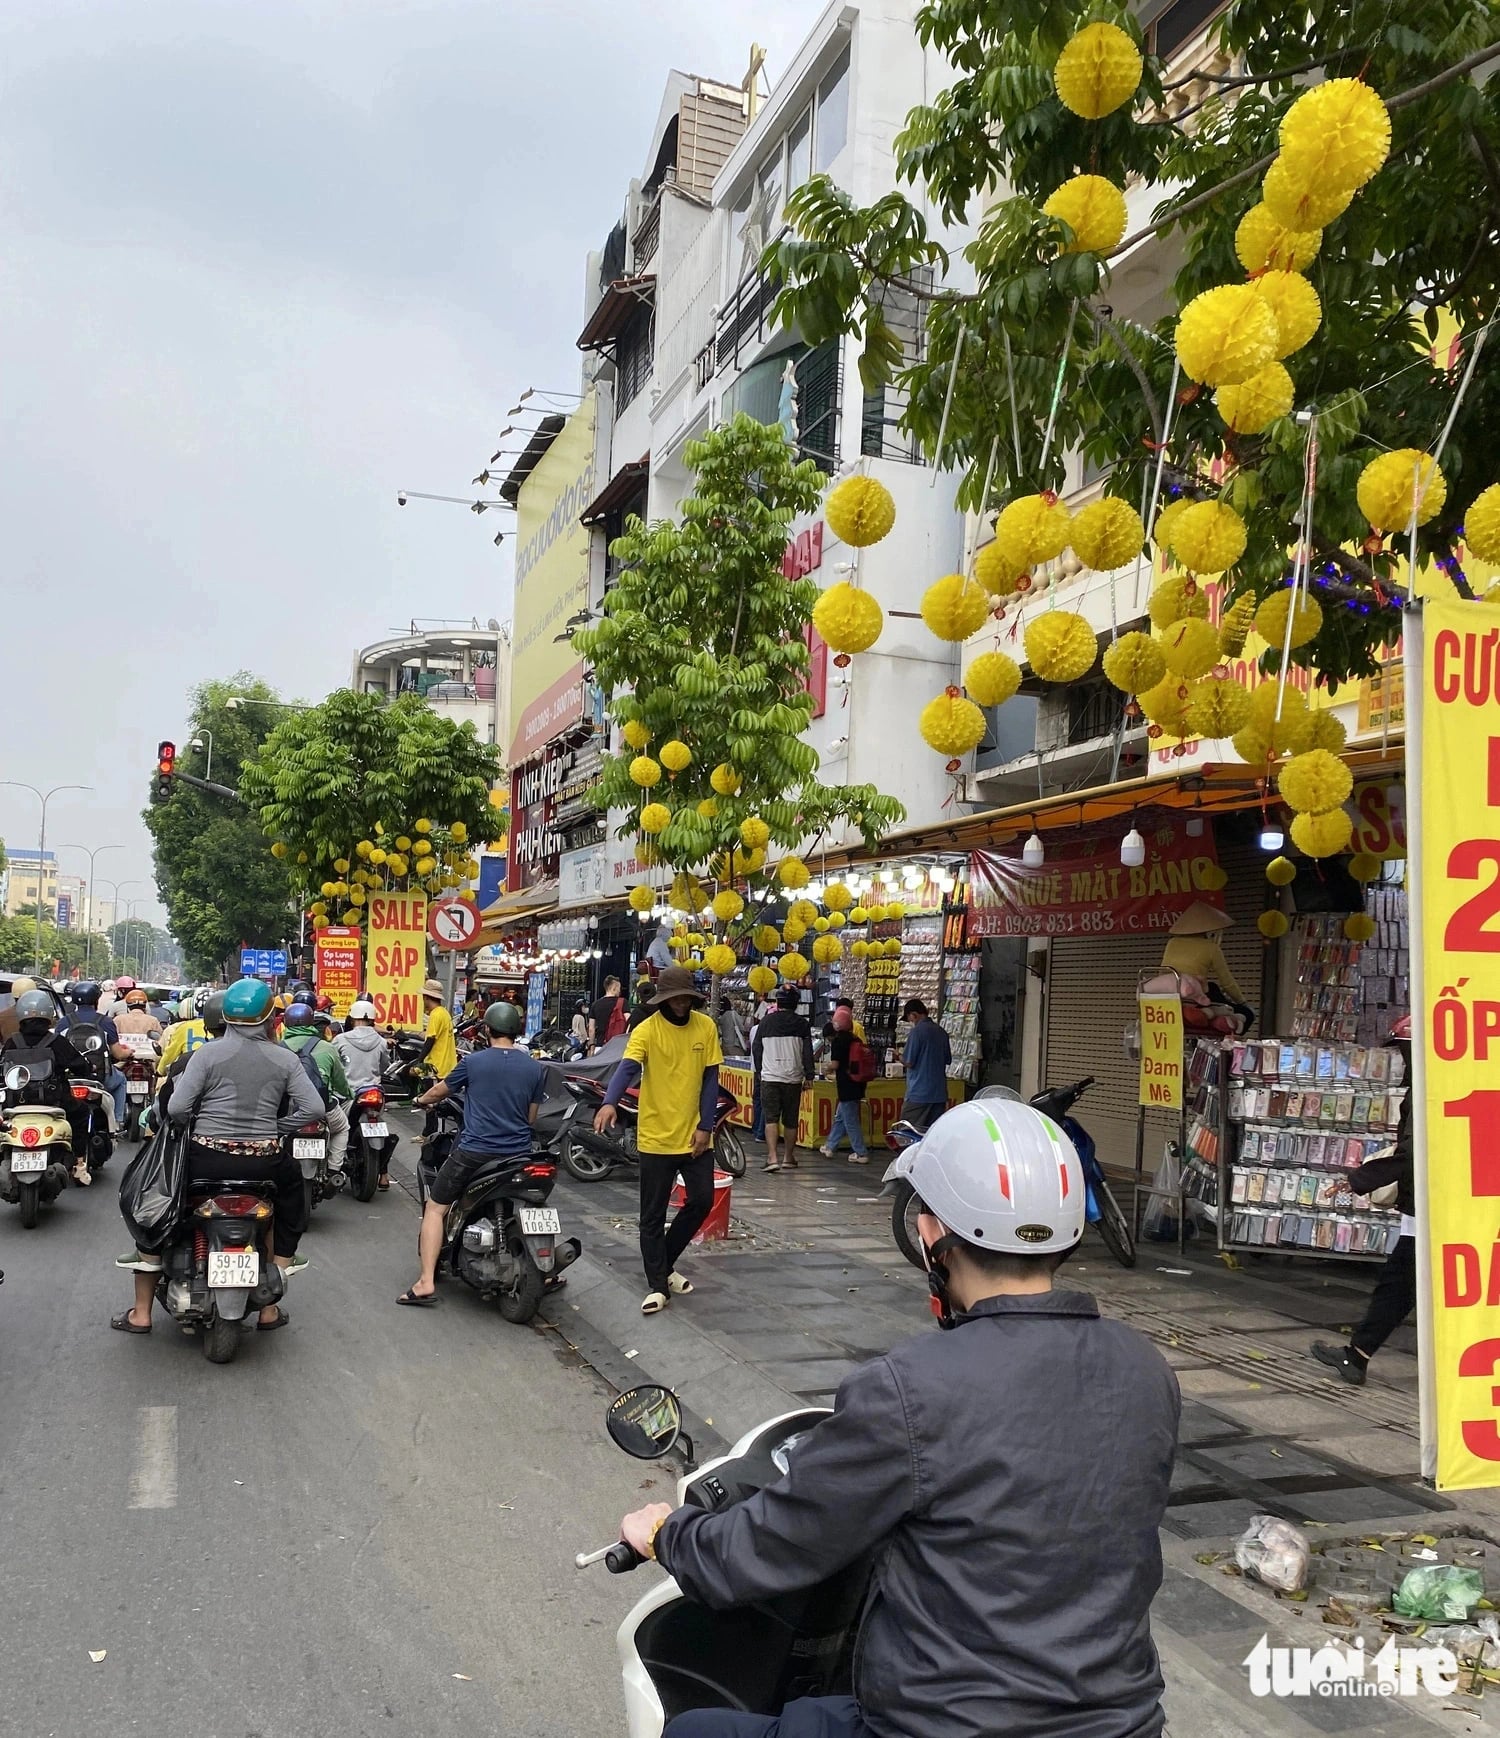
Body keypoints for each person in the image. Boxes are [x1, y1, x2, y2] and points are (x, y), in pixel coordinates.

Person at [617, 1097, 1180, 1738]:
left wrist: (667, 1534)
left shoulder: (908, 1390)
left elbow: (760, 1548)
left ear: (931, 1233)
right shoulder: (1146, 1369)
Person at [111, 978, 325, 1335]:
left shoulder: (206, 1056)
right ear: (272, 1018)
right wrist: (275, 1128)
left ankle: (142, 1310)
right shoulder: (284, 1059)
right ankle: (272, 1301)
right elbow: (314, 1107)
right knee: (292, 1207)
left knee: (157, 1204)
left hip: (204, 1160)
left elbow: (176, 1108)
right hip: (265, 1164)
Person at [595, 965, 723, 1315]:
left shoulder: (706, 1027)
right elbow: (627, 1068)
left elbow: (711, 1080)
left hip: (696, 1135)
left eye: (686, 998)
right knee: (651, 1214)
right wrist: (609, 1103)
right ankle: (657, 1285)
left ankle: (663, 1264)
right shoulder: (647, 1030)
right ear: (663, 999)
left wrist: (706, 1126)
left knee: (701, 1201)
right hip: (656, 1136)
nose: (681, 1004)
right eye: (675, 998)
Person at [400, 1000, 546, 1306]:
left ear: (487, 1030)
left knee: (435, 1209)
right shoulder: (535, 1068)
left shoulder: (474, 1062)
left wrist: (421, 1101)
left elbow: (441, 1091)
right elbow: (531, 1118)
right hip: (519, 1154)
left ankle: (426, 1281)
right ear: (516, 1030)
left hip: (475, 1152)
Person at [1312, 1017, 1414, 1387]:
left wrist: (1357, 1180)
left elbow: (1412, 1152)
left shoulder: (1428, 1093)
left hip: (1434, 1208)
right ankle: (1357, 1355)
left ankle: (1357, 1355)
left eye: (1403, 1050)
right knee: (1400, 1286)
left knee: (1399, 1285)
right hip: (1434, 1206)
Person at [1, 987, 95, 1170]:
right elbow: (79, 1066)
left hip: (15, 1102)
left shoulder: (13, 1042)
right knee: (82, 1113)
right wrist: (88, 1070)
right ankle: (79, 1163)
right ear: (49, 1014)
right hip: (55, 1101)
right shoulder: (56, 1042)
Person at [280, 1003, 352, 1177]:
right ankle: (334, 1169)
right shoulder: (327, 1047)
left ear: (286, 1023)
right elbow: (340, 1081)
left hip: (289, 1111)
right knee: (342, 1128)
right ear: (312, 1022)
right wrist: (349, 1094)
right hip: (323, 1107)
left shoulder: (277, 1048)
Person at [60, 979, 131, 1140]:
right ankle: (118, 1122)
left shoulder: (64, 1022)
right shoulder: (105, 1022)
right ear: (96, 1000)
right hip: (99, 1078)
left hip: (69, 1078)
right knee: (120, 1080)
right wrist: (129, 1052)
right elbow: (119, 1054)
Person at [753, 986, 814, 1173]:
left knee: (771, 1118)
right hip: (793, 1079)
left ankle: (772, 1158)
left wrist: (760, 1071)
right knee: (790, 1119)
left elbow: (756, 1049)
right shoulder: (802, 1025)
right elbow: (807, 1052)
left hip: (769, 1077)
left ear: (778, 1002)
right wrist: (809, 1075)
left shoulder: (765, 1022)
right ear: (796, 1004)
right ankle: (788, 1157)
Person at [334, 999, 393, 1188]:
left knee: (337, 1129)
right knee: (380, 1127)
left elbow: (335, 1067)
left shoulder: (340, 1040)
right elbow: (385, 1066)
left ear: (352, 1018)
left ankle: (334, 1166)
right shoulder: (381, 1042)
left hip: (348, 1095)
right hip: (373, 1093)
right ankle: (384, 1175)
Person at [820, 1006, 870, 1164]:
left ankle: (861, 1152)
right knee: (841, 1117)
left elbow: (835, 1064)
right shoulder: (855, 1038)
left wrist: (825, 1067)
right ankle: (830, 1146)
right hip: (858, 1083)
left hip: (846, 1086)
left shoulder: (838, 1042)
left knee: (850, 1121)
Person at [900, 999, 952, 1133]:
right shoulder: (941, 1032)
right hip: (939, 1093)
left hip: (919, 1093)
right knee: (932, 1135)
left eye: (910, 1019)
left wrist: (897, 1056)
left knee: (907, 1133)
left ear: (914, 1014)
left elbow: (909, 1062)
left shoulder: (917, 1032)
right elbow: (947, 1060)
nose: (911, 1022)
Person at [589, 975, 627, 1050]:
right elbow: (628, 1021)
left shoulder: (595, 1004)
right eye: (619, 988)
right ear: (614, 988)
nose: (619, 991)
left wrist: (592, 1046)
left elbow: (591, 1029)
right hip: (618, 1046)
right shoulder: (623, 1002)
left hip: (600, 1045)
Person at [717, 993, 750, 1060]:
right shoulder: (733, 1014)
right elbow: (741, 1028)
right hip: (735, 1045)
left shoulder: (719, 1018)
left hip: (724, 1045)